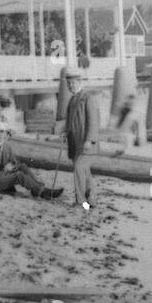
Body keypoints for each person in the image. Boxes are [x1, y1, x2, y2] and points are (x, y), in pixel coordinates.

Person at [0, 119, 62, 199]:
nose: (0, 134)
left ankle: (39, 189)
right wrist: (0, 172)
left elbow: (14, 162)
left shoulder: (6, 146)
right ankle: (42, 191)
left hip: (2, 177)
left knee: (22, 166)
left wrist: (13, 164)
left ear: (6, 134)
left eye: (2, 132)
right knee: (19, 176)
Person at [63, 70, 99, 210]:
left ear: (79, 82)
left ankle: (81, 202)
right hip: (75, 143)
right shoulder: (72, 99)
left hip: (86, 143)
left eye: (73, 83)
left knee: (79, 168)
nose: (71, 86)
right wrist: (66, 132)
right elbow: (71, 121)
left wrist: (89, 140)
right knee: (84, 171)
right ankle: (91, 199)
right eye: (68, 84)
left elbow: (93, 121)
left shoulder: (88, 98)